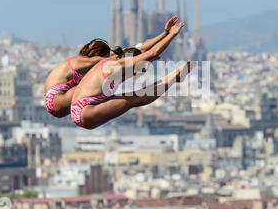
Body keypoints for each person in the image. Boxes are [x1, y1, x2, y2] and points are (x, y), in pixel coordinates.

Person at [44, 16, 180, 118]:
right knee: (123, 90)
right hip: (56, 100)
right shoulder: (86, 62)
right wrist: (169, 35)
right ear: (99, 54)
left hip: (69, 104)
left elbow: (137, 48)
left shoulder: (98, 60)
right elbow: (140, 52)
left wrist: (164, 34)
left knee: (110, 83)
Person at [70, 20, 194, 130]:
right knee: (135, 98)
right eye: (140, 71)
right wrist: (172, 34)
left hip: (84, 110)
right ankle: (174, 77)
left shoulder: (119, 61)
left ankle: (173, 78)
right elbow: (153, 52)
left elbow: (143, 47)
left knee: (136, 95)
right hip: (83, 112)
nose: (138, 75)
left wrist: (164, 33)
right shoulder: (113, 66)